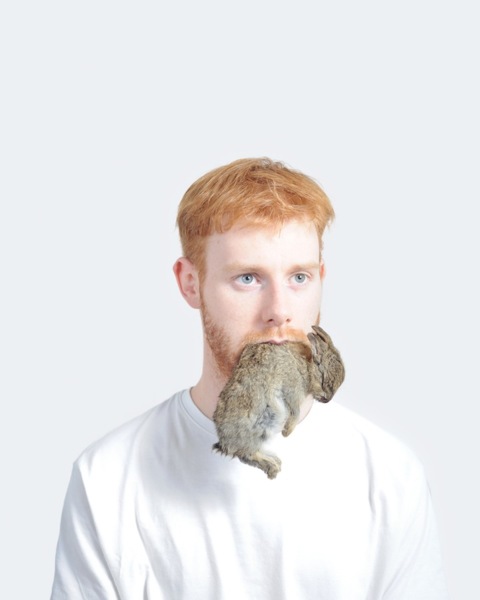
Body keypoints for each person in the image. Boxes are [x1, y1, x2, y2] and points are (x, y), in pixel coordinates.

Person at [50, 158, 449, 599]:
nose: (279, 311)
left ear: (321, 279)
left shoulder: (390, 476)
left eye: (299, 277)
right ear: (190, 284)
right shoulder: (107, 478)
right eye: (247, 278)